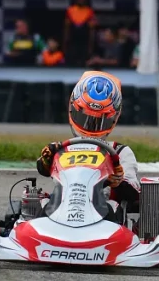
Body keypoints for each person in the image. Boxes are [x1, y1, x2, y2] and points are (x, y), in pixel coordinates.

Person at [36, 72, 140, 222]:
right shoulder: (62, 149)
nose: (89, 127)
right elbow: (43, 169)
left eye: (99, 121)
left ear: (113, 118)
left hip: (104, 216)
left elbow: (134, 194)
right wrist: (46, 159)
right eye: (85, 118)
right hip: (62, 209)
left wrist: (117, 181)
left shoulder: (120, 152)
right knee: (42, 203)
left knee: (113, 207)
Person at [63, 0, 96, 67]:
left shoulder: (89, 11)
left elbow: (92, 29)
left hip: (84, 39)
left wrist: (91, 43)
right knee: (72, 57)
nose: (81, 0)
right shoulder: (70, 10)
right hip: (73, 38)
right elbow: (67, 27)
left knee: (83, 59)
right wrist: (65, 41)